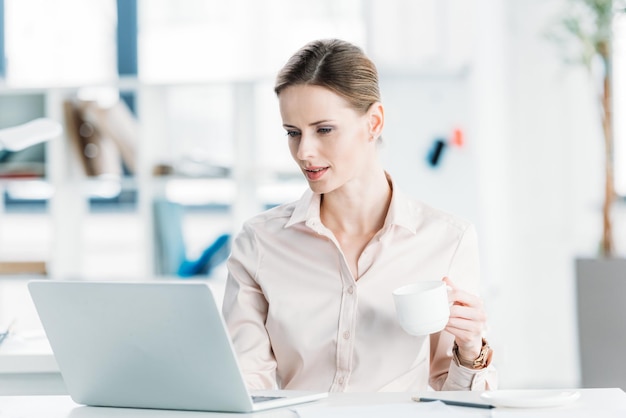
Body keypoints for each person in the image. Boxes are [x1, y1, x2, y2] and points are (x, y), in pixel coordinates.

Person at [222, 38, 497, 392]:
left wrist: (471, 348)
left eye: (324, 129)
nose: (304, 151)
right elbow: (247, 384)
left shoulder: (447, 240)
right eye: (293, 133)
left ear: (374, 122)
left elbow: (457, 399)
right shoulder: (260, 243)